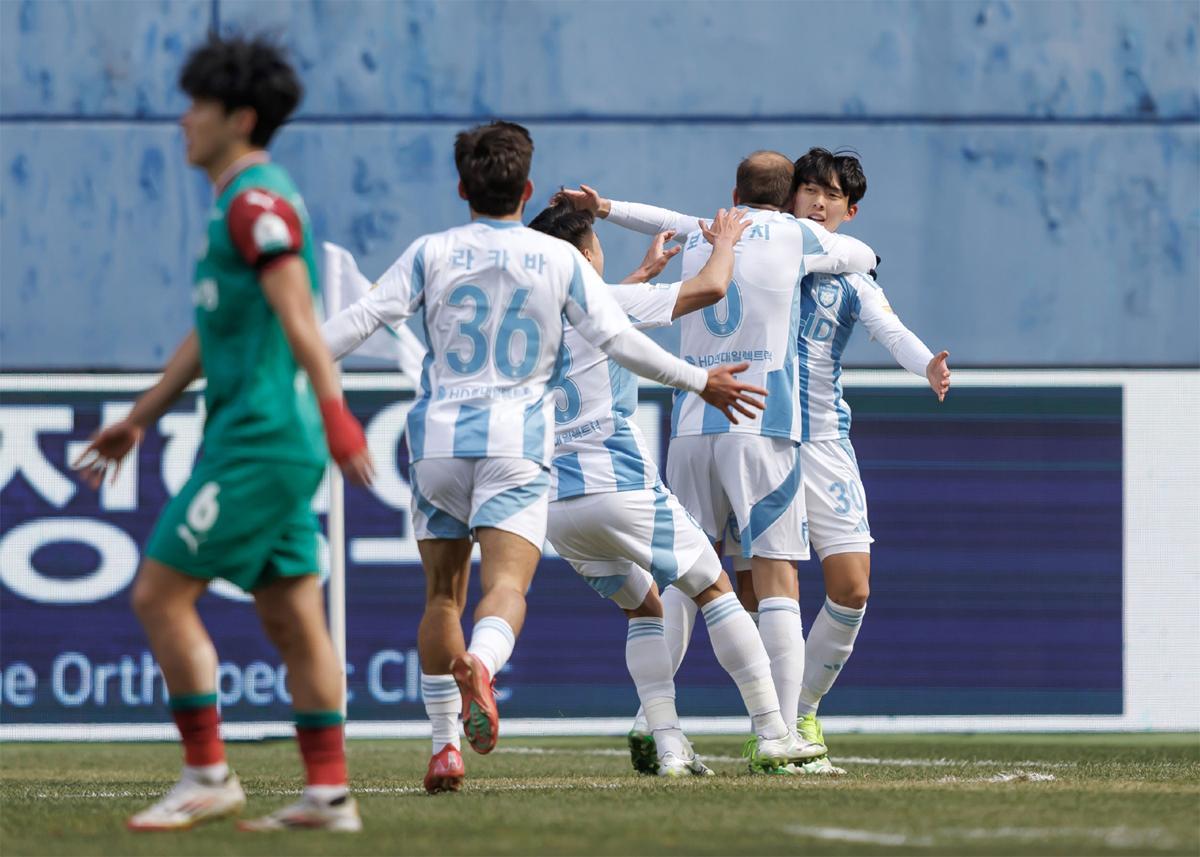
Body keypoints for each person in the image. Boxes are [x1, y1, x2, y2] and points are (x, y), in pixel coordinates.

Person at [320, 121, 767, 792]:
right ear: (526, 188)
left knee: (442, 594)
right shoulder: (556, 262)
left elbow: (360, 319)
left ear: (461, 185)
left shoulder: (430, 250)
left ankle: (445, 746)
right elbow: (620, 337)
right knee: (506, 589)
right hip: (516, 445)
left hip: (438, 440)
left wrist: (284, 363)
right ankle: (483, 663)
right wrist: (700, 378)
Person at [73, 35, 373, 832]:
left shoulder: (254, 203)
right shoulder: (243, 202)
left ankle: (207, 773)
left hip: (262, 440)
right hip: (262, 435)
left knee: (159, 593)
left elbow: (298, 315)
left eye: (197, 105)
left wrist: (337, 409)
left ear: (237, 118)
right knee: (292, 616)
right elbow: (211, 335)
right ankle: (329, 794)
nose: (183, 120)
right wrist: (140, 417)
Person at [558, 152, 877, 772]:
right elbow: (858, 255)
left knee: (686, 576)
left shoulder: (707, 228)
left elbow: (662, 219)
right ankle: (782, 739)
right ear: (789, 198)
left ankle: (652, 722)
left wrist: (604, 208)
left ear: (734, 192)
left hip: (693, 424)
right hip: (759, 420)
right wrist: (842, 250)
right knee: (777, 576)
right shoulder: (796, 233)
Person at [530, 199, 812, 776]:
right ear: (586, 254)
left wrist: (642, 276)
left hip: (555, 504)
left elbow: (598, 318)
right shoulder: (607, 300)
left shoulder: (527, 322)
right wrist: (727, 239)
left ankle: (669, 745)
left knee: (645, 606)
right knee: (714, 590)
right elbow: (710, 288)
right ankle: (772, 731)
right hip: (617, 483)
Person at [725, 148, 951, 772]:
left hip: (825, 441)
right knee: (756, 586)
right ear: (790, 197)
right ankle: (768, 727)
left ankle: (800, 710)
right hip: (763, 435)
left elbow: (891, 329)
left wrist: (926, 362)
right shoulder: (766, 252)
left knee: (851, 586)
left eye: (831, 195)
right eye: (809, 190)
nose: (818, 202)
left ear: (849, 211)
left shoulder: (853, 277)